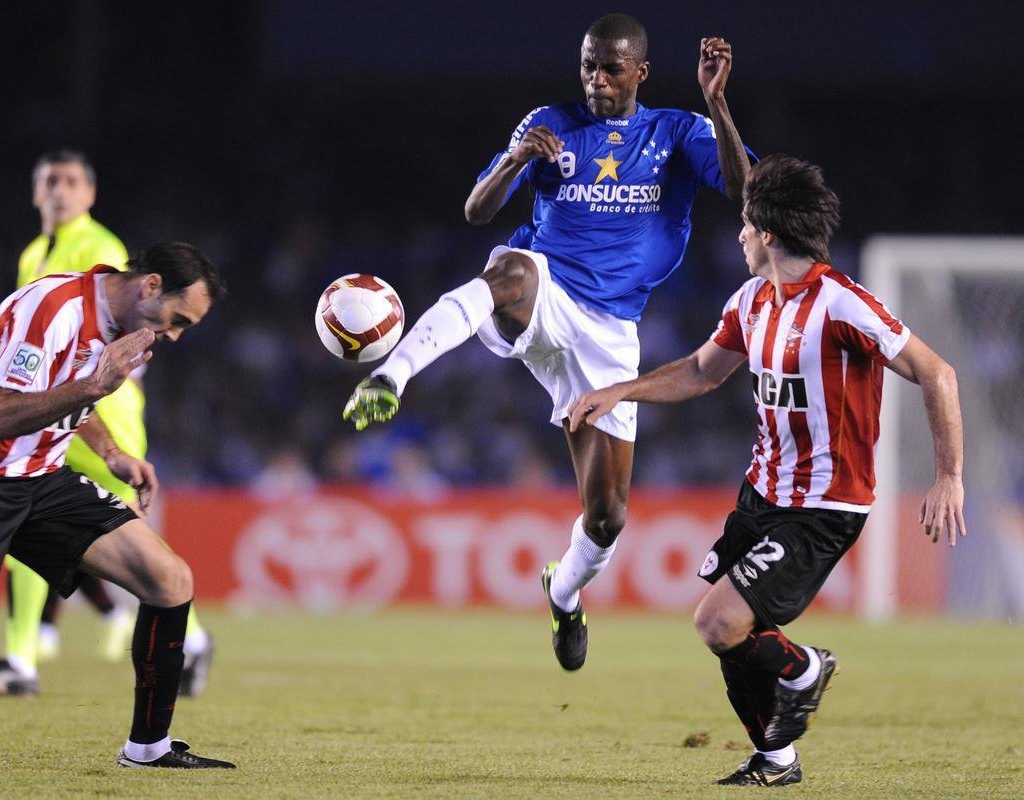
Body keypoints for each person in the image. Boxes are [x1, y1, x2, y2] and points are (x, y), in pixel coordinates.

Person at [343, 14, 751, 671]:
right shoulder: (549, 123)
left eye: (611, 68)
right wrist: (514, 160)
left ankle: (563, 594)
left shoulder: (678, 131)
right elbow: (478, 210)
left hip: (612, 333)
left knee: (609, 515)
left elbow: (744, 188)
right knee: (505, 269)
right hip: (546, 291)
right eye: (588, 65)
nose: (596, 80)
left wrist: (718, 102)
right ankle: (393, 374)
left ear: (640, 72)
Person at [567, 154, 965, 786]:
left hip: (824, 505)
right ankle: (776, 759)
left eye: (746, 225)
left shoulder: (843, 304)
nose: (740, 235)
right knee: (735, 631)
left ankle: (805, 668)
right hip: (759, 495)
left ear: (769, 233)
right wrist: (621, 391)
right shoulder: (752, 300)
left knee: (716, 621)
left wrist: (949, 475)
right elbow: (701, 371)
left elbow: (936, 372)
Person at [0, 242, 235, 774]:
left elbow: (66, 397)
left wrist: (112, 453)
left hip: (40, 475)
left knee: (170, 579)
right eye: (178, 319)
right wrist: (95, 383)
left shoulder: (119, 327)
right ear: (152, 285)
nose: (176, 335)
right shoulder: (54, 308)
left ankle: (149, 748)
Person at [0, 150, 215, 699]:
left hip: (104, 408)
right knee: (29, 507)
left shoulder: (100, 247)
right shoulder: (35, 251)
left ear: (89, 194)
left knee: (110, 530)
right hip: (58, 398)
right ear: (36, 194)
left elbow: (118, 332)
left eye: (71, 181)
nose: (59, 190)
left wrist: (101, 398)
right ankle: (21, 658)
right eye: (49, 181)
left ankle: (189, 636)